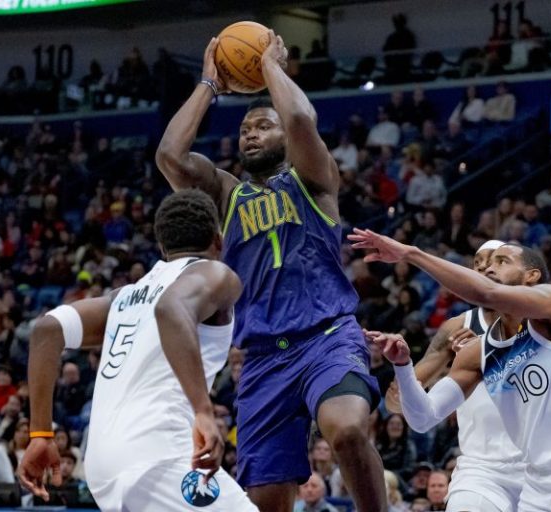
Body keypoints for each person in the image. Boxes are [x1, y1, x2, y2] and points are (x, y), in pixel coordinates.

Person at [155, 32, 385, 512]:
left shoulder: (315, 182)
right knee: (264, 503)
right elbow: (170, 157)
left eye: (263, 125)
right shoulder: (226, 194)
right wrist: (209, 85)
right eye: (244, 130)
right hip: (262, 358)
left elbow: (301, 116)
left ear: (284, 137)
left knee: (345, 431)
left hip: (327, 337)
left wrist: (270, 67)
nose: (251, 134)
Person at [349, 230, 551, 511]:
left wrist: (411, 254)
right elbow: (423, 418)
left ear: (531, 276)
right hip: (535, 483)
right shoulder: (476, 351)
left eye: (502, 261)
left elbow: (487, 292)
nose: (489, 267)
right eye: (484, 263)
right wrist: (403, 365)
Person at [18, 190, 257, 511]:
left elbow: (47, 330)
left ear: (162, 247)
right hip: (159, 451)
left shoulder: (126, 296)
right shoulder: (215, 273)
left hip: (103, 466)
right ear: (218, 242)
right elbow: (172, 309)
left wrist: (41, 434)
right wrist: (203, 410)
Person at [386, 240, 525, 512]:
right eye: (478, 263)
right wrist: (408, 369)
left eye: (496, 261)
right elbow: (395, 403)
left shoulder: (541, 319)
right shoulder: (458, 327)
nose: (485, 268)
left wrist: (484, 352)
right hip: (482, 468)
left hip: (539, 465)